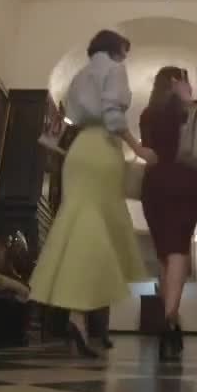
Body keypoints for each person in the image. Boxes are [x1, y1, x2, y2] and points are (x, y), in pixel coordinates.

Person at [28, 29, 158, 357]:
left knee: (79, 230)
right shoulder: (114, 69)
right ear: (116, 49)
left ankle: (78, 317)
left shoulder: (79, 75)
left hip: (79, 151)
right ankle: (79, 316)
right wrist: (137, 148)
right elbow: (113, 116)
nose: (125, 57)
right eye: (124, 50)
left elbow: (72, 116)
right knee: (96, 234)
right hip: (102, 150)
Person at [140, 66, 197, 361]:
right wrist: (190, 100)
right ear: (175, 81)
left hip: (154, 186)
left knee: (165, 256)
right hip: (184, 182)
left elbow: (151, 151)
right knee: (179, 250)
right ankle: (170, 320)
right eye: (186, 81)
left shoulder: (147, 114)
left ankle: (171, 318)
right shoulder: (189, 109)